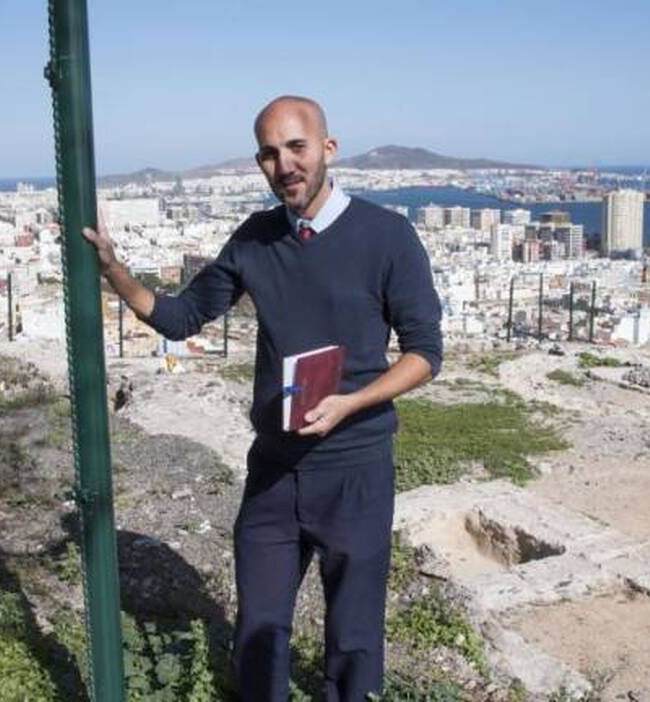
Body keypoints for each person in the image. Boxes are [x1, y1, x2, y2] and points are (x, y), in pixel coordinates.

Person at [82, 95, 442, 701]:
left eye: (297, 147)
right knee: (258, 628)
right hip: (274, 470)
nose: (285, 165)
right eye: (270, 154)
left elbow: (425, 353)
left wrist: (351, 403)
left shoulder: (386, 236)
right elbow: (182, 317)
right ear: (260, 164)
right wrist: (114, 271)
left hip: (355, 468)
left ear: (328, 149)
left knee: (354, 636)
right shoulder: (255, 238)